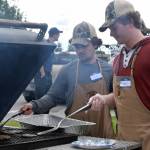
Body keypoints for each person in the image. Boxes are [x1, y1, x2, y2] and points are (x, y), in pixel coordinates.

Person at [20, 21, 114, 138]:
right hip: (74, 138)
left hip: (104, 138)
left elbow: (119, 100)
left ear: (95, 44)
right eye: (76, 46)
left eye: (84, 46)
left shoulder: (109, 70)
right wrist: (34, 105)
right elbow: (53, 97)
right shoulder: (68, 70)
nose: (79, 51)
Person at [88, 0, 150, 149]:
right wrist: (103, 99)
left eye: (114, 27)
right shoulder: (118, 59)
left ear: (130, 21)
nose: (111, 33)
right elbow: (122, 95)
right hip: (125, 143)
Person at [34, 27, 63, 99]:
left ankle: (45, 110)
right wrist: (42, 73)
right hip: (42, 74)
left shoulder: (51, 45)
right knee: (41, 96)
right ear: (54, 35)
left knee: (47, 96)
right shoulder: (46, 44)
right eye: (58, 34)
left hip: (47, 74)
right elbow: (40, 59)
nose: (59, 35)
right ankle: (39, 109)